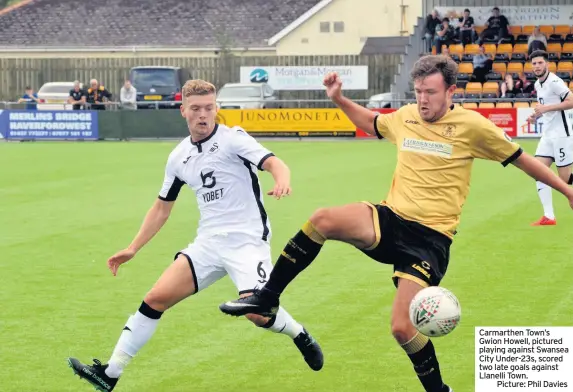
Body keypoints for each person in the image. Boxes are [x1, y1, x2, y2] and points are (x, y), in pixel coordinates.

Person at [219, 55, 573, 392]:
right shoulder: (405, 116)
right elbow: (371, 121)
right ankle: (268, 298)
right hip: (390, 219)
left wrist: (566, 191)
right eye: (418, 92)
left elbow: (523, 160)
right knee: (322, 219)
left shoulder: (474, 126)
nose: (422, 100)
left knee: (403, 328)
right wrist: (339, 99)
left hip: (430, 240)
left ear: (451, 92)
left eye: (430, 93)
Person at [67, 79, 323, 392]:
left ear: (216, 108)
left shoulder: (233, 139)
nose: (203, 115)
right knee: (154, 299)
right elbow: (162, 208)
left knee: (256, 314)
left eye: (209, 108)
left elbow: (273, 162)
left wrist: (282, 180)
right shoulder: (178, 157)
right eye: (196, 109)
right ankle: (111, 373)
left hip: (246, 240)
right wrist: (133, 248)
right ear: (183, 111)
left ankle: (298, 333)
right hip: (208, 243)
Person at [527, 50, 573, 226]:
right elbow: (545, 108)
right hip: (548, 135)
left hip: (562, 135)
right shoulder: (538, 85)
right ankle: (549, 216)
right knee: (538, 171)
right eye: (534, 63)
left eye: (540, 63)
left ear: (547, 64)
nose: (537, 66)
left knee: (564, 178)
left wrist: (546, 109)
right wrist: (535, 116)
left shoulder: (554, 82)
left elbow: (571, 100)